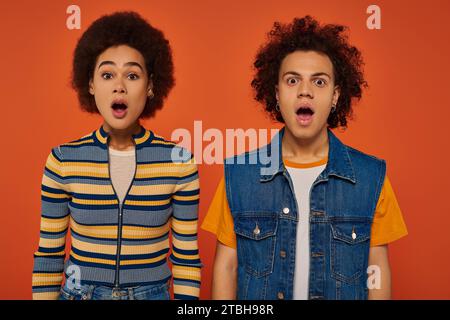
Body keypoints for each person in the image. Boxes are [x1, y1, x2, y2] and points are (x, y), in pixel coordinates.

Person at [202, 15, 407, 300]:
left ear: (335, 96)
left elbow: (377, 270)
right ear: (276, 93)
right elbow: (227, 267)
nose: (305, 91)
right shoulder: (239, 176)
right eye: (292, 80)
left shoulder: (371, 177)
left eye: (319, 82)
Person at [32, 11, 201, 300]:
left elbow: (186, 257)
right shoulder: (62, 160)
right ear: (91, 85)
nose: (119, 85)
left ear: (149, 87)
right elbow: (49, 253)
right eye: (107, 74)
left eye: (132, 75)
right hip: (79, 293)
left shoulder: (179, 162)